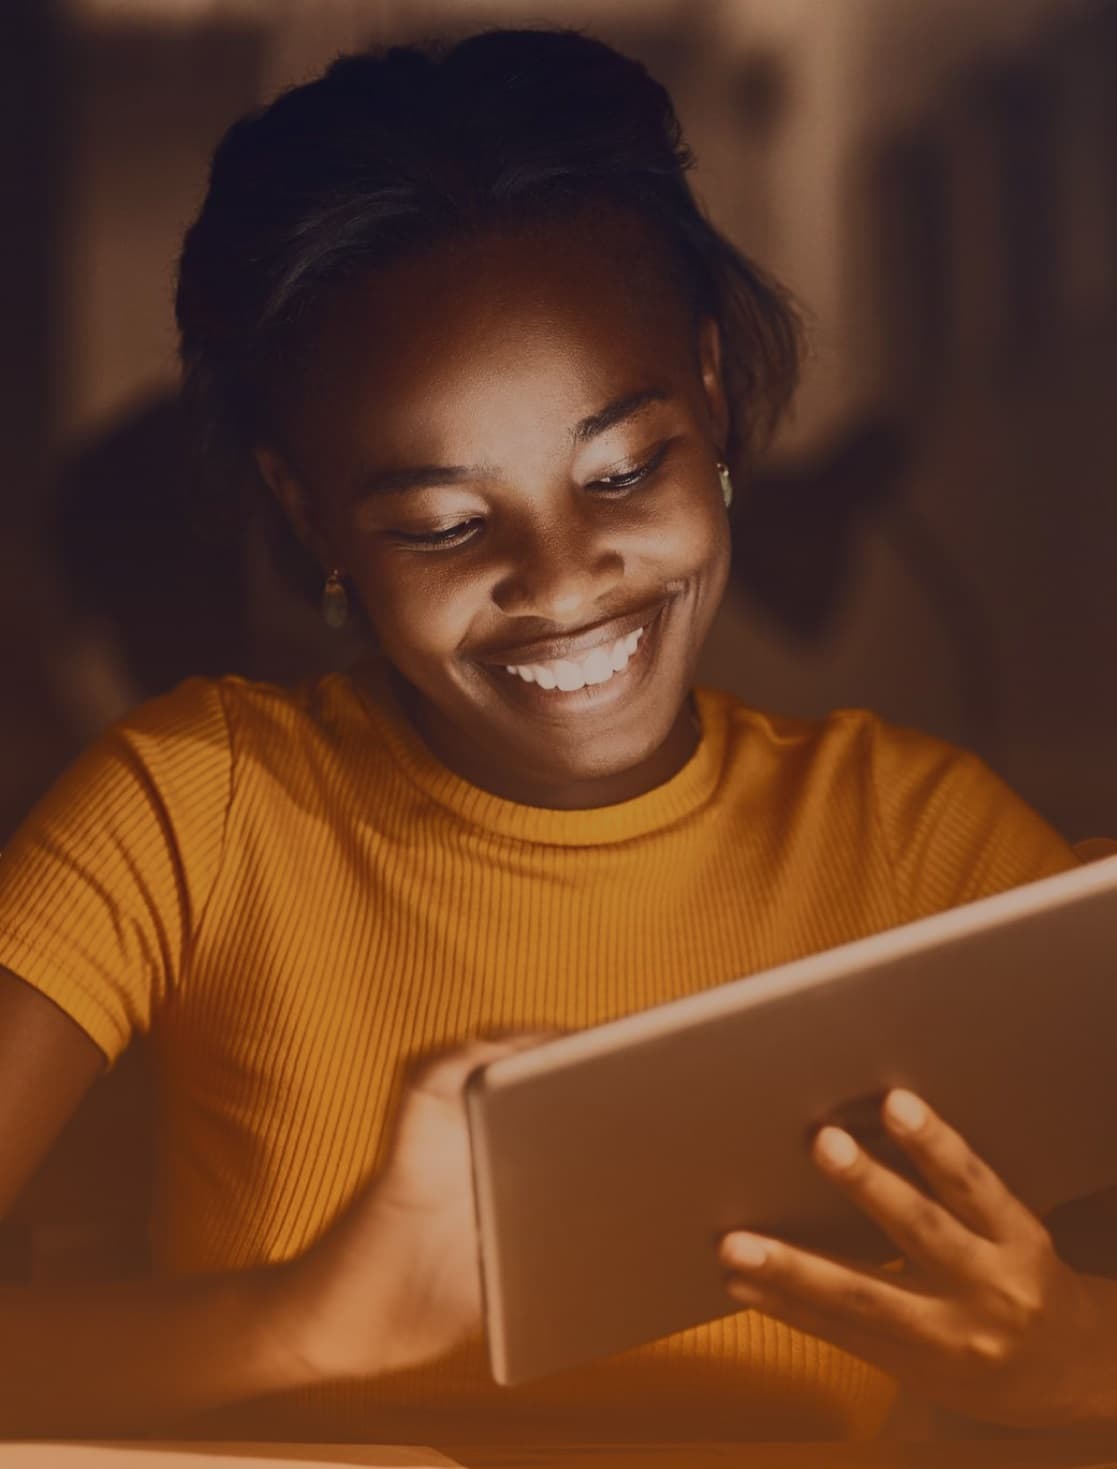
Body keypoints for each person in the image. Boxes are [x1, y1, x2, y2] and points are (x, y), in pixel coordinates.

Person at [0, 27, 1114, 1447]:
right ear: (306, 509)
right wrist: (302, 1323)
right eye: (445, 524)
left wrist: (1076, 1359)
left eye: (625, 467)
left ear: (708, 390)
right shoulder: (191, 810)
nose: (561, 576)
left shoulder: (917, 840)